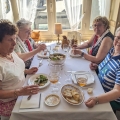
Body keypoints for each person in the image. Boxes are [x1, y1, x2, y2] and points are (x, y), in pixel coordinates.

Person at [0, 19, 46, 120]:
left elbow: (13, 67)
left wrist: (26, 71)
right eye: (10, 40)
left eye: (15, 38)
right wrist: (19, 92)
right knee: (42, 114)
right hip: (11, 101)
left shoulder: (10, 52)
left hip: (24, 90)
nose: (14, 43)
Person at [85, 27, 120, 113]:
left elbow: (117, 92)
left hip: (111, 98)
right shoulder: (113, 50)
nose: (119, 41)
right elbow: (107, 67)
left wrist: (96, 99)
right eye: (118, 37)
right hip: (98, 86)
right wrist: (97, 66)